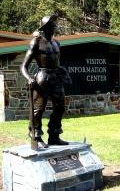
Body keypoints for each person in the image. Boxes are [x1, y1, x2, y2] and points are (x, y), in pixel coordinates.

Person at [21, 14, 71, 148]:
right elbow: (23, 66)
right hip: (42, 79)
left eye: (55, 24)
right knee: (39, 110)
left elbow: (56, 63)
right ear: (46, 27)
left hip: (56, 78)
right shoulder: (36, 42)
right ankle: (36, 137)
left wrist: (63, 71)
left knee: (60, 107)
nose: (56, 26)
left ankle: (54, 135)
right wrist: (29, 78)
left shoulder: (56, 43)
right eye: (53, 24)